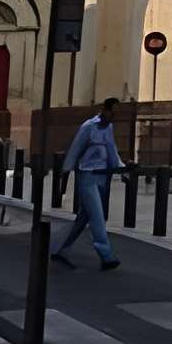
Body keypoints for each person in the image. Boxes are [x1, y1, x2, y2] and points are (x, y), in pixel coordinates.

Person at [53, 99, 123, 271]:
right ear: (104, 110)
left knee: (84, 217)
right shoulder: (89, 127)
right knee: (97, 216)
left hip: (102, 176)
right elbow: (75, 149)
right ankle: (106, 256)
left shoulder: (109, 127)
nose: (113, 116)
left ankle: (59, 249)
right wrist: (65, 173)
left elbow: (111, 150)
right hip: (88, 176)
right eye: (111, 112)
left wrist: (122, 168)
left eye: (116, 113)